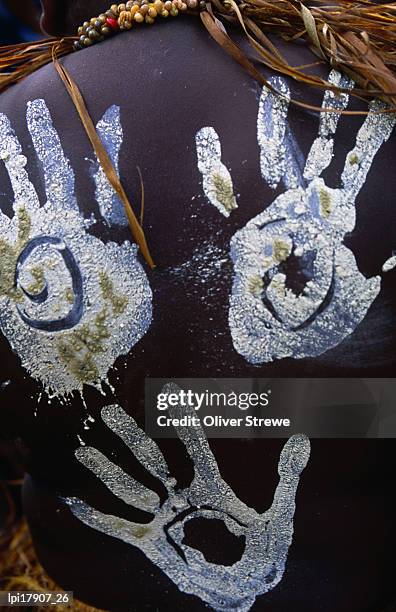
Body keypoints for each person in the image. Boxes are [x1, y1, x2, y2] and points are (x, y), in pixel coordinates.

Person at [0, 1, 395, 610]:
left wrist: (167, 400)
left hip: (78, 585)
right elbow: (360, 412)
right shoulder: (371, 93)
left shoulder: (9, 125)